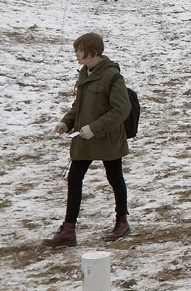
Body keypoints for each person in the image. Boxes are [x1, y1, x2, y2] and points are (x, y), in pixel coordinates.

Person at [42, 32, 131, 247]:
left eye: (79, 49)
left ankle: (122, 222)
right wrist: (66, 123)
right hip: (84, 138)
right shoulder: (84, 73)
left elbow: (122, 109)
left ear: (93, 51)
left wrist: (95, 128)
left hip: (107, 138)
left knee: (115, 178)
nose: (76, 53)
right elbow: (79, 105)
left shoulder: (112, 76)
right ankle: (69, 229)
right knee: (74, 179)